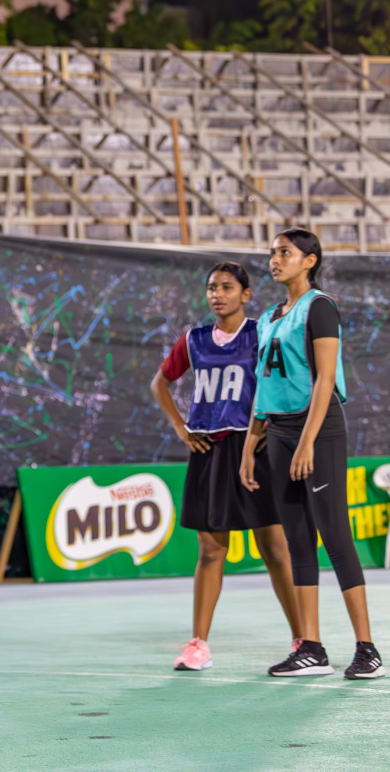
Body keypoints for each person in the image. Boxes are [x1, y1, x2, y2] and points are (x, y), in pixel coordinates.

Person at [240, 228, 382, 679]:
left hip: (317, 430)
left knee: (335, 534)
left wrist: (306, 441)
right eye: (273, 253)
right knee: (298, 539)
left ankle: (368, 650)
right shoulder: (267, 318)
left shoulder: (319, 307)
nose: (275, 259)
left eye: (286, 252)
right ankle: (312, 648)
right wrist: (249, 445)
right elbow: (263, 387)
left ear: (310, 260)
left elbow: (324, 379)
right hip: (277, 432)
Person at [151, 262, 301, 672]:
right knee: (211, 549)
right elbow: (159, 383)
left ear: (246, 295)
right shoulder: (194, 339)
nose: (217, 294)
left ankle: (303, 639)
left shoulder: (261, 332)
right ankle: (198, 644)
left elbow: (281, 383)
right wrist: (181, 428)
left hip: (254, 446)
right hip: (209, 448)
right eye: (212, 287)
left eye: (227, 287)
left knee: (273, 547)